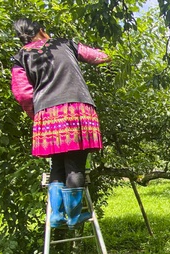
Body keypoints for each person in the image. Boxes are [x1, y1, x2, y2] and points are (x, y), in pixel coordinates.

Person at [11, 18, 110, 229]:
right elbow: (97, 56)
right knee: (75, 164)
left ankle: (56, 215)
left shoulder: (20, 58)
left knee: (57, 163)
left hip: (46, 112)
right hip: (75, 108)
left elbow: (22, 94)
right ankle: (73, 216)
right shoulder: (64, 44)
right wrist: (111, 55)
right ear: (41, 31)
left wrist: (36, 115)